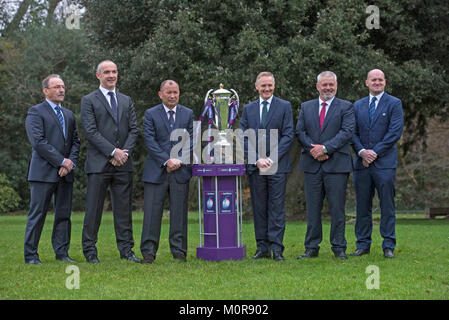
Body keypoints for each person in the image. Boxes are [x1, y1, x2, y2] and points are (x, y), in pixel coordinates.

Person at [80, 60, 140, 263]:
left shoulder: (126, 100)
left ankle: (126, 250)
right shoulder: (89, 100)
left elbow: (133, 129)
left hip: (123, 164)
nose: (111, 75)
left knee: (123, 210)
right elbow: (90, 131)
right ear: (98, 75)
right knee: (94, 210)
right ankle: (90, 251)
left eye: (114, 71)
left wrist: (123, 154)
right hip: (99, 164)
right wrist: (112, 152)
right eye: (107, 72)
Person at [296, 71, 354, 260]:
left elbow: (346, 132)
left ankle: (339, 247)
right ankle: (311, 248)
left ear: (336, 86)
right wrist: (314, 150)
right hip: (312, 165)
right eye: (324, 85)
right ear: (317, 86)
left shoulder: (346, 107)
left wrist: (326, 148)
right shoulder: (306, 107)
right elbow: (300, 131)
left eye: (331, 84)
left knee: (337, 209)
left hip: (337, 165)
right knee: (313, 209)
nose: (328, 88)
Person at [24, 74, 80, 264]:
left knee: (64, 215)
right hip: (43, 173)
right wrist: (61, 162)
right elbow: (39, 143)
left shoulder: (69, 115)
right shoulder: (35, 112)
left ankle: (62, 253)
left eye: (63, 86)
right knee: (37, 214)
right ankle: (31, 255)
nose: (61, 90)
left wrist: (69, 162)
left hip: (66, 174)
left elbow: (75, 142)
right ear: (45, 90)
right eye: (56, 87)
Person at [240, 72, 294, 261]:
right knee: (259, 207)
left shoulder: (285, 106)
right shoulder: (248, 109)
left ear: (274, 85)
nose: (267, 89)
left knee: (276, 208)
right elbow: (243, 136)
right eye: (263, 86)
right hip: (256, 167)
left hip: (277, 166)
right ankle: (262, 247)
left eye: (270, 85)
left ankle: (277, 248)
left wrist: (271, 158)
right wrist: (256, 159)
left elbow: (288, 135)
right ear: (256, 86)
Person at [351, 69, 404, 258]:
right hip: (362, 164)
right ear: (366, 82)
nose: (377, 82)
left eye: (380, 80)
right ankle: (363, 244)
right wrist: (361, 152)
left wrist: (375, 152)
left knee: (387, 205)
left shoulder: (394, 103)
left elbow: (395, 132)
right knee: (362, 206)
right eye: (373, 80)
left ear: (385, 82)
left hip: (385, 164)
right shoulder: (357, 106)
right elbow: (352, 132)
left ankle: (388, 244)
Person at [140, 80, 194, 264]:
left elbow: (191, 140)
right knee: (151, 214)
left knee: (179, 213)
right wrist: (166, 160)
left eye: (176, 92)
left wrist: (178, 160)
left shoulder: (187, 114)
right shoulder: (150, 114)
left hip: (180, 171)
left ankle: (179, 251)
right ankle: (148, 252)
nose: (172, 96)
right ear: (160, 94)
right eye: (168, 92)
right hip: (156, 171)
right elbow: (149, 140)